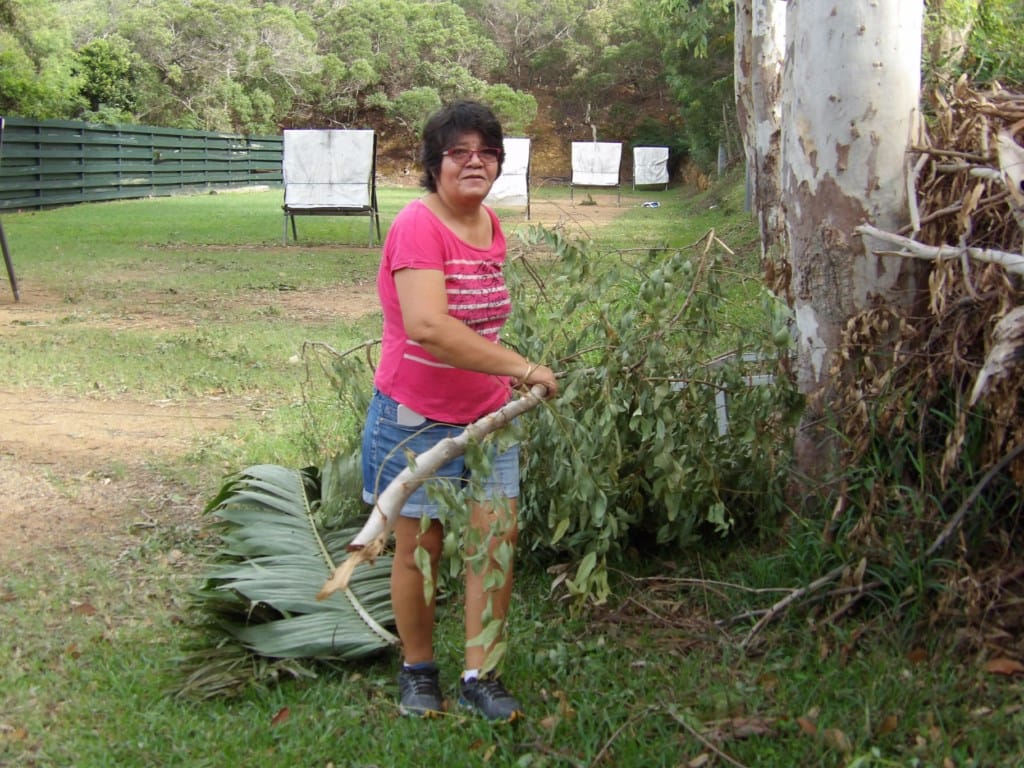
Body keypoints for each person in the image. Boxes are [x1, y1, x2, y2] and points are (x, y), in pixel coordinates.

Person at [360, 100, 558, 721]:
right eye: (459, 151)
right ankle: (418, 671)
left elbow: (480, 322)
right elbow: (427, 326)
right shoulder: (418, 225)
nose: (475, 161)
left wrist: (503, 384)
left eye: (487, 151)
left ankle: (482, 674)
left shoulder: (490, 225)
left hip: (489, 420)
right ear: (433, 163)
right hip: (414, 420)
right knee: (422, 547)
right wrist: (524, 369)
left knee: (494, 542)